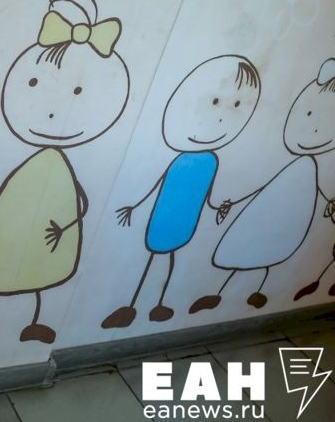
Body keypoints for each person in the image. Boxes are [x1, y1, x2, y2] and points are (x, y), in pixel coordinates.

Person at [0, 6, 130, 349]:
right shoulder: (34, 166)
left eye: (78, 92)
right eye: (34, 83)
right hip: (15, 227)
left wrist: (64, 228)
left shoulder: (59, 167)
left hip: (47, 233)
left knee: (37, 275)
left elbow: (84, 204)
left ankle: (33, 326)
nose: (53, 109)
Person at [102, 55, 261, 329]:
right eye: (215, 102)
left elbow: (208, 196)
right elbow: (159, 184)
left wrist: (218, 207)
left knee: (170, 256)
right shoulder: (183, 160)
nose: (221, 116)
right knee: (155, 256)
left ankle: (159, 304)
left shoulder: (210, 162)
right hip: (163, 216)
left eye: (236, 106)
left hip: (185, 219)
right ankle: (132, 306)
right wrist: (135, 207)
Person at [191, 58, 335, 313]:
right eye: (310, 115)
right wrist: (234, 201)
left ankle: (256, 292)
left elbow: (318, 192)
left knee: (273, 250)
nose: (314, 129)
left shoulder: (309, 169)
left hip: (289, 217)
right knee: (248, 247)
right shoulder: (291, 167)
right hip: (266, 209)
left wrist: (329, 203)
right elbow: (263, 186)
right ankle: (218, 293)